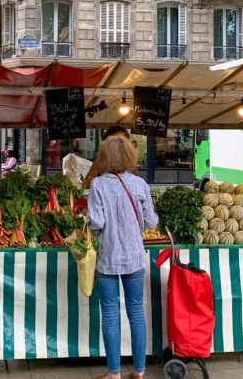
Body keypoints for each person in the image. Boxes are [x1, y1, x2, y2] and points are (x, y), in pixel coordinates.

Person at [87, 136, 158, 379]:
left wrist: (90, 222)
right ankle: (139, 372)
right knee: (136, 312)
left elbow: (97, 222)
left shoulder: (98, 185)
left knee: (110, 314)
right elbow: (150, 222)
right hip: (135, 257)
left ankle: (114, 374)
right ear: (130, 156)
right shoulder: (140, 184)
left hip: (108, 257)